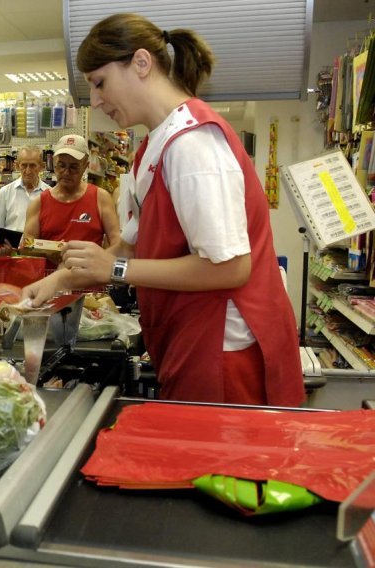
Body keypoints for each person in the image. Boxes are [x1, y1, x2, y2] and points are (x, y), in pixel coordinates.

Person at [23, 13, 304, 408]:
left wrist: (116, 270)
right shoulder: (151, 150)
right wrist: (59, 282)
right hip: (187, 336)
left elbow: (231, 266)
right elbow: (131, 247)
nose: (97, 100)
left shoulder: (194, 146)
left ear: (141, 63)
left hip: (225, 347)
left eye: (100, 82)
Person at [22, 134, 120, 248]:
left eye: (74, 167)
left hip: (89, 266)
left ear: (85, 166)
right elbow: (27, 246)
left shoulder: (101, 198)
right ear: (54, 164)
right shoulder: (38, 204)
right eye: (62, 165)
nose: (66, 172)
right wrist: (50, 251)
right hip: (50, 266)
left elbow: (116, 243)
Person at [0, 145, 51, 242]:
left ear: (42, 166)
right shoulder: (5, 192)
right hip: (11, 253)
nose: (28, 171)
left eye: (33, 165)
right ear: (17, 166)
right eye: (24, 165)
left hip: (39, 253)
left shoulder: (50, 194)